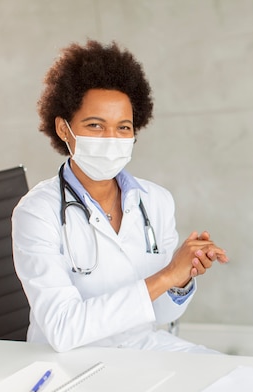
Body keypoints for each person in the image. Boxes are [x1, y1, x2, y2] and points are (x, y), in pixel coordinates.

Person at [12, 40, 228, 353]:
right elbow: (64, 329)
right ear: (63, 128)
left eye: (123, 127)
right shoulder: (37, 212)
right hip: (69, 363)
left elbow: (163, 314)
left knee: (231, 378)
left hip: (142, 348)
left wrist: (182, 277)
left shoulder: (156, 201)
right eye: (95, 125)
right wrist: (166, 275)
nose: (112, 139)